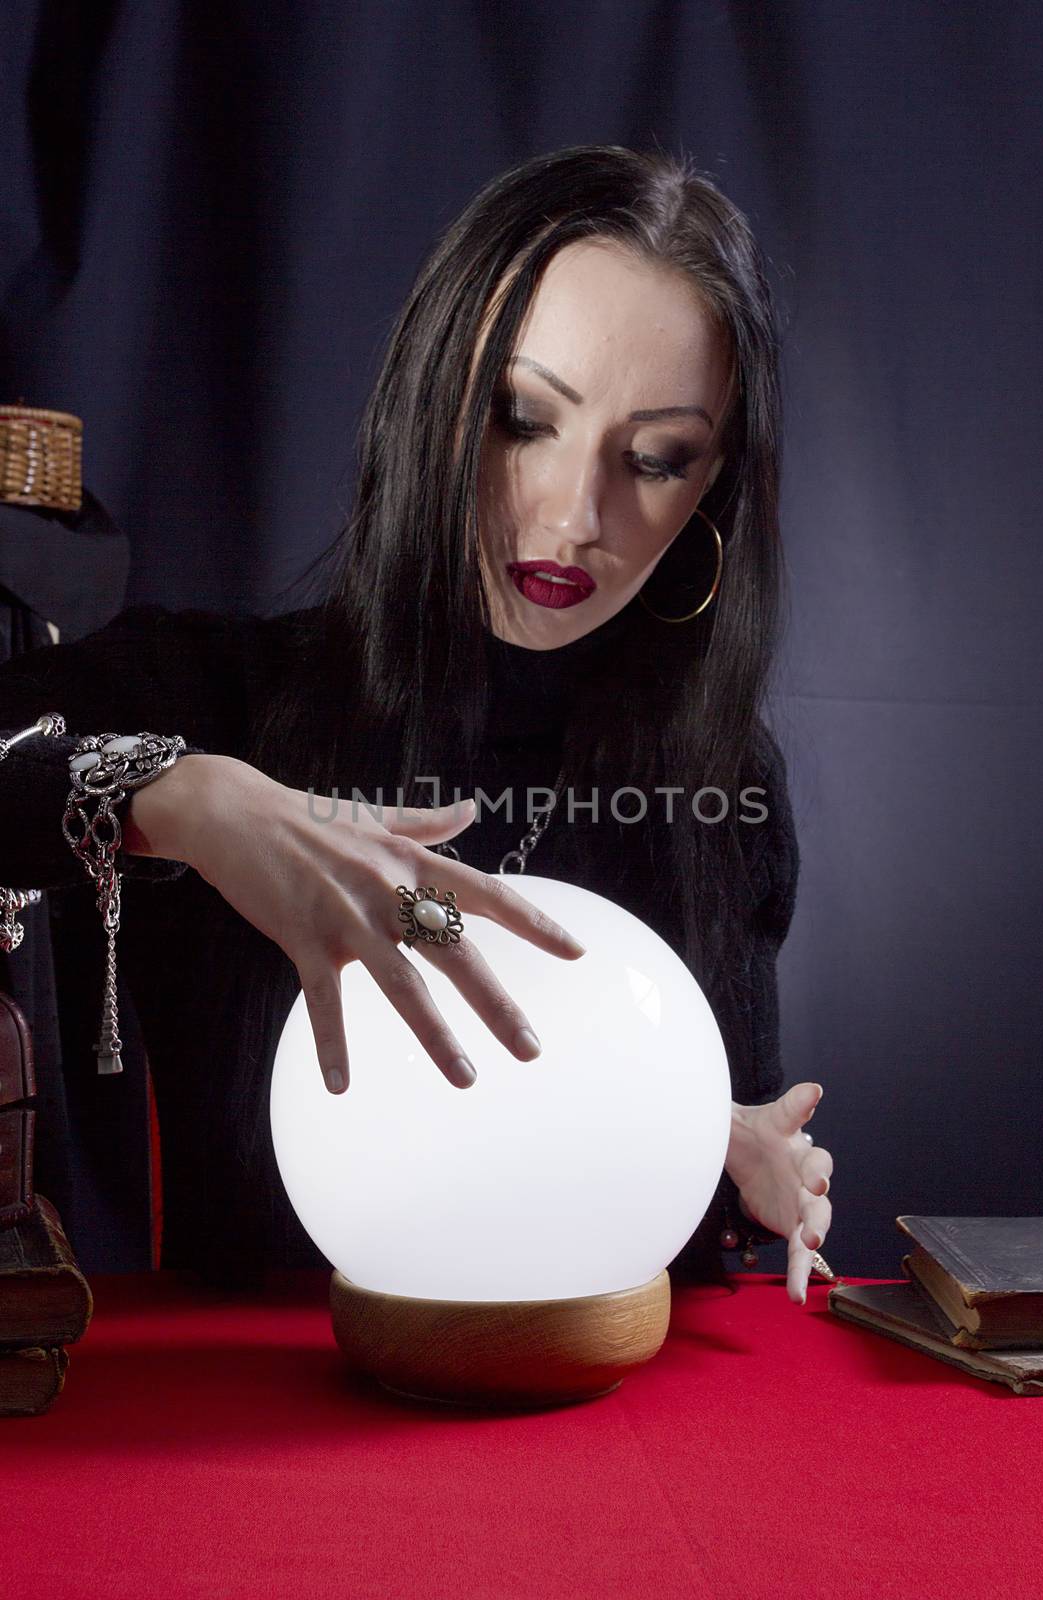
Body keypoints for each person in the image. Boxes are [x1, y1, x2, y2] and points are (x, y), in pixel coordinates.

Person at [0, 144, 833, 1300]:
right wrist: (180, 796)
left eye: (653, 457)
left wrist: (713, 1138)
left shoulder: (717, 785)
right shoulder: (220, 702)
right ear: (430, 401)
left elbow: (631, 1216)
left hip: (600, 1430)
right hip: (267, 1441)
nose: (573, 513)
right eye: (521, 418)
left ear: (713, 490)